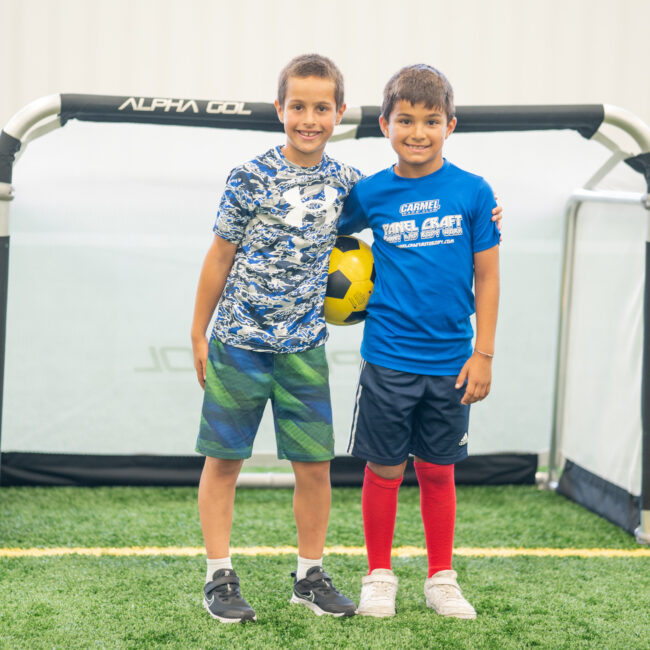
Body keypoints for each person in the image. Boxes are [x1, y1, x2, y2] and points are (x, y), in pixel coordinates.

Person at [190, 54, 362, 623]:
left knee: (314, 467)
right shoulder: (249, 177)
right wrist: (198, 331)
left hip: (304, 349)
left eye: (321, 107)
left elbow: (399, 210)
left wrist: (488, 215)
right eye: (297, 106)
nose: (308, 118)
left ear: (339, 112)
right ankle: (219, 577)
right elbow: (220, 256)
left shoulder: (345, 183)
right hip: (238, 341)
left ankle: (309, 576)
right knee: (224, 461)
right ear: (279, 109)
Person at [338, 64, 501, 620]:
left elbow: (489, 277)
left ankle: (440, 577)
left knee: (437, 469)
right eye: (404, 120)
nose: (417, 132)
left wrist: (484, 353)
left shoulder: (474, 192)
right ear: (385, 124)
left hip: (453, 362)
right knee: (384, 469)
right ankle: (379, 574)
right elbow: (327, 230)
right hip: (387, 359)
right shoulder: (371, 193)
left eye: (431, 121)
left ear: (450, 125)